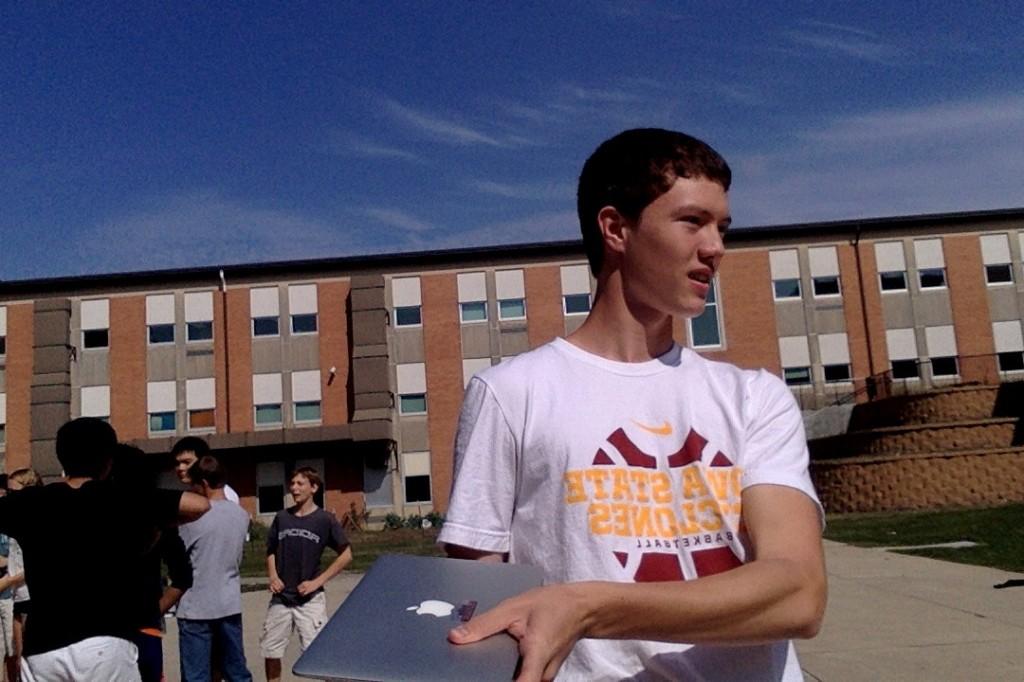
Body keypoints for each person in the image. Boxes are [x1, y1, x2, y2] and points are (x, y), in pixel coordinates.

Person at [438, 128, 827, 681]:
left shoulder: (753, 397)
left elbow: (798, 596)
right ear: (616, 228)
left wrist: (587, 607)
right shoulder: (510, 394)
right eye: (693, 222)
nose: (716, 247)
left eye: (722, 227)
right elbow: (479, 623)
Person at [0, 418, 209, 682]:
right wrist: (152, 525)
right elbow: (199, 505)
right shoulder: (121, 500)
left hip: (44, 646)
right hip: (106, 641)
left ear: (61, 456)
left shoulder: (32, 502)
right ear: (108, 460)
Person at [260, 467, 351, 682]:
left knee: (318, 655)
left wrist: (316, 582)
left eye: (300, 484)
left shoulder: (325, 519)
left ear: (314, 488)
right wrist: (273, 576)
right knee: (270, 651)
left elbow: (346, 555)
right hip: (281, 598)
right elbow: (270, 550)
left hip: (310, 600)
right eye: (292, 483)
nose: (294, 488)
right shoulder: (282, 517)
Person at [112, 445, 194, 682]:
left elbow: (182, 575)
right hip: (143, 624)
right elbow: (183, 576)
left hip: (113, 628)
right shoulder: (156, 518)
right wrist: (153, 611)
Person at [176, 455, 252, 682]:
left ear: (204, 483)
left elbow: (179, 556)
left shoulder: (192, 518)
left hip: (196, 606)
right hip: (228, 603)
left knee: (196, 675)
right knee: (236, 671)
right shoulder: (241, 515)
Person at [3, 468, 43, 682]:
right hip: (15, 596)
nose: (7, 498)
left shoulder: (37, 523)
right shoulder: (13, 521)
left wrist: (9, 580)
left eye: (13, 493)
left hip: (29, 594)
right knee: (17, 658)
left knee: (30, 659)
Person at [171, 437, 240, 503]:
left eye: (187, 462)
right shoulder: (184, 490)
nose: (180, 468)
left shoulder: (225, 494)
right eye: (177, 463)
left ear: (203, 461)